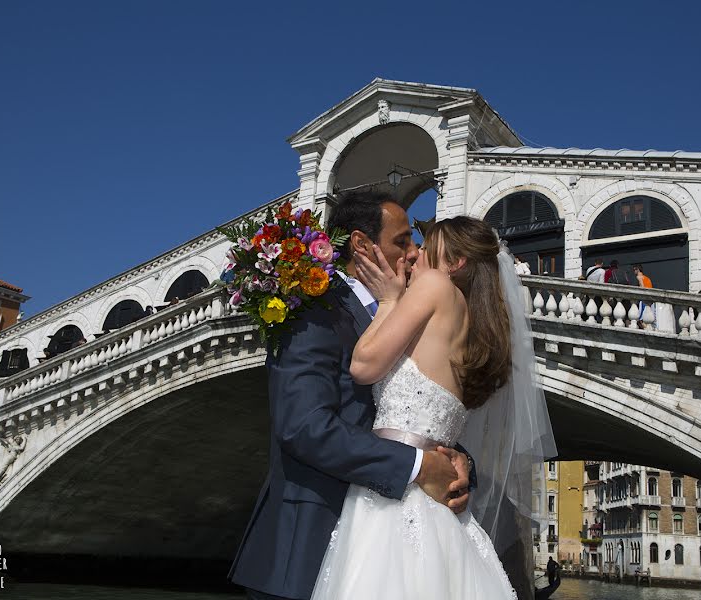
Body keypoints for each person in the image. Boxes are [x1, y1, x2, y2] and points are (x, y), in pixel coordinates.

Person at [228, 192, 474, 600]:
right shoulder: (310, 311)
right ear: (361, 245)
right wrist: (418, 466)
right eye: (402, 241)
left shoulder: (404, 313)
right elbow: (305, 427)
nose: (415, 254)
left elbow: (411, 410)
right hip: (307, 551)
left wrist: (457, 463)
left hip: (383, 547)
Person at [310, 216, 556, 600]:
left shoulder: (435, 285)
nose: (416, 254)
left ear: (454, 262)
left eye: (427, 246)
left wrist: (390, 300)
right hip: (437, 499)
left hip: (394, 496)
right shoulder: (475, 325)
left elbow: (363, 367)